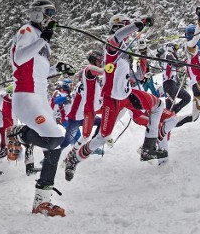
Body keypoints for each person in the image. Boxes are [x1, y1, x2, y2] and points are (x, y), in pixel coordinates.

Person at [64, 13, 168, 182]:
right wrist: (138, 24)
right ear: (120, 26)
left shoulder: (125, 53)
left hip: (127, 95)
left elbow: (139, 76)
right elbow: (117, 37)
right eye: (126, 26)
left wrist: (142, 54)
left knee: (158, 106)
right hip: (111, 99)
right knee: (102, 137)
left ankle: (148, 148)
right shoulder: (111, 47)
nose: (129, 33)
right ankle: (75, 158)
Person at [7, 0, 75, 217]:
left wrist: (58, 68)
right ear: (37, 14)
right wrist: (43, 38)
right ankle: (19, 134)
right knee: (53, 139)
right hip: (26, 95)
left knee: (56, 144)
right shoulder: (27, 31)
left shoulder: (44, 43)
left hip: (40, 96)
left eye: (52, 15)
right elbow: (19, 59)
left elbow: (39, 71)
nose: (50, 19)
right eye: (47, 14)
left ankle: (42, 201)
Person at [158, 42, 191, 115]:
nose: (176, 50)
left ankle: (172, 115)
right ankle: (166, 119)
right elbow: (175, 63)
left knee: (187, 98)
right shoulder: (169, 54)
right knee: (169, 108)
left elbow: (174, 65)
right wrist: (185, 62)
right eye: (175, 48)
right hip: (168, 85)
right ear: (171, 47)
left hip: (173, 85)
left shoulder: (168, 56)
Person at [0, 84, 14, 158]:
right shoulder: (9, 97)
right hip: (8, 120)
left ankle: (4, 149)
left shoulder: (2, 96)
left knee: (4, 135)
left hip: (2, 120)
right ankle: (6, 149)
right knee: (10, 136)